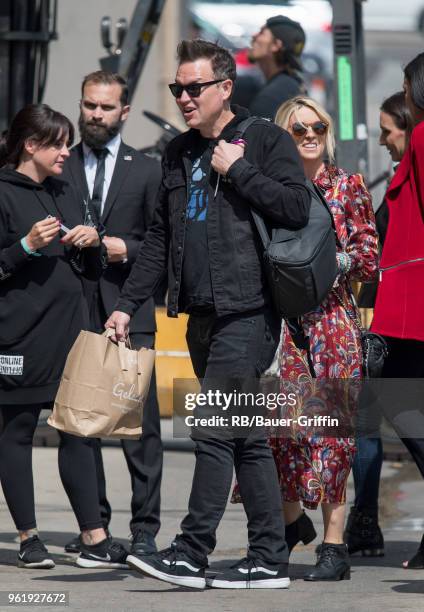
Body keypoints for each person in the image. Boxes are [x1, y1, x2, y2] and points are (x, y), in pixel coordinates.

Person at [106, 39, 311, 590]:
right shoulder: (176, 153)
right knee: (243, 436)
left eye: (194, 88)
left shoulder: (263, 139)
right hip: (198, 316)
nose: (183, 98)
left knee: (215, 431)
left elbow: (297, 208)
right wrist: (127, 306)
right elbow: (158, 240)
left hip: (249, 311)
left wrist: (241, 171)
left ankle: (192, 551)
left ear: (225, 87)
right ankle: (269, 555)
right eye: (178, 89)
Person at [0, 104, 127, 570]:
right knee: (15, 433)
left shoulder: (66, 190)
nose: (65, 152)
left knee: (78, 432)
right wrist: (26, 246)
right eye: (57, 143)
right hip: (17, 338)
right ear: (30, 146)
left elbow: (89, 271)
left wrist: (93, 243)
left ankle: (94, 536)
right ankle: (28, 537)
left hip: (71, 335)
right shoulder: (2, 193)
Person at [268, 96, 378, 580]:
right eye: (298, 129)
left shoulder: (347, 186)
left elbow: (369, 255)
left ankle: (334, 548)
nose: (310, 134)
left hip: (332, 323)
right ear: (283, 136)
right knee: (279, 432)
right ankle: (293, 523)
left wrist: (332, 264)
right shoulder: (270, 189)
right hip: (282, 325)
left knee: (333, 435)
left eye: (318, 126)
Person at [60, 70, 163, 557]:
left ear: (124, 112)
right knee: (80, 422)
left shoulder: (146, 169)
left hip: (130, 306)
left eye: (105, 108)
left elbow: (163, 246)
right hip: (74, 308)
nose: (95, 115)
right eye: (89, 106)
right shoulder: (60, 167)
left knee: (139, 427)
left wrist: (126, 247)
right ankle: (94, 530)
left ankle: (144, 531)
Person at [347, 91, 413, 558]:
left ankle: (365, 519)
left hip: (401, 325)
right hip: (380, 321)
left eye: (388, 130)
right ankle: (364, 520)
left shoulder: (411, 183)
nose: (384, 139)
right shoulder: (400, 177)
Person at [371, 52, 424, 570]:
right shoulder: (411, 154)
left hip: (416, 310)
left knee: (391, 393)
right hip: (405, 309)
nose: (384, 137)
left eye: (389, 129)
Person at [248, 15, 306, 120]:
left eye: (261, 32)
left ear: (276, 45)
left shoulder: (270, 98)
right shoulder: (292, 85)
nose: (253, 36)